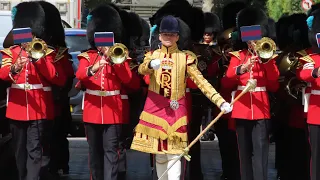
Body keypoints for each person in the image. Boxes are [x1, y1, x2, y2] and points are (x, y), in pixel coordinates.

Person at [130, 15, 232, 180]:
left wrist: (220, 101)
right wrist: (149, 65)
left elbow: (201, 82)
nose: (168, 38)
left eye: (171, 35)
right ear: (160, 36)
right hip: (155, 109)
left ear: (177, 36)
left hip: (177, 111)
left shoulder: (186, 58)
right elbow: (141, 71)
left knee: (175, 154)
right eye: (164, 34)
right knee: (161, 155)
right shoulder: (153, 55)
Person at [0, 2, 66, 180]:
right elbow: (3, 74)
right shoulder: (11, 53)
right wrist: (15, 68)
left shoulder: (47, 53)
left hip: (38, 109)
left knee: (35, 151)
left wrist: (39, 60)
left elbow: (57, 77)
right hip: (17, 108)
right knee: (19, 153)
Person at [75, 4, 133, 180]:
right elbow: (80, 74)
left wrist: (115, 61)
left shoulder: (120, 56)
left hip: (112, 112)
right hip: (92, 111)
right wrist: (95, 67)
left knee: (111, 153)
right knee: (95, 153)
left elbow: (128, 80)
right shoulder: (88, 57)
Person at [223, 7, 280, 180]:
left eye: (256, 39)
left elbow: (274, 84)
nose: (253, 42)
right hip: (242, 110)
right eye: (250, 39)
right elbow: (226, 82)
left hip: (261, 111)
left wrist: (266, 61)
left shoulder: (267, 57)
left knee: (262, 153)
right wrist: (241, 69)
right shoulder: (238, 56)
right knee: (244, 154)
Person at [296, 9, 320, 180]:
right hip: (316, 112)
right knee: (317, 156)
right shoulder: (310, 58)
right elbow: (302, 74)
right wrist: (316, 72)